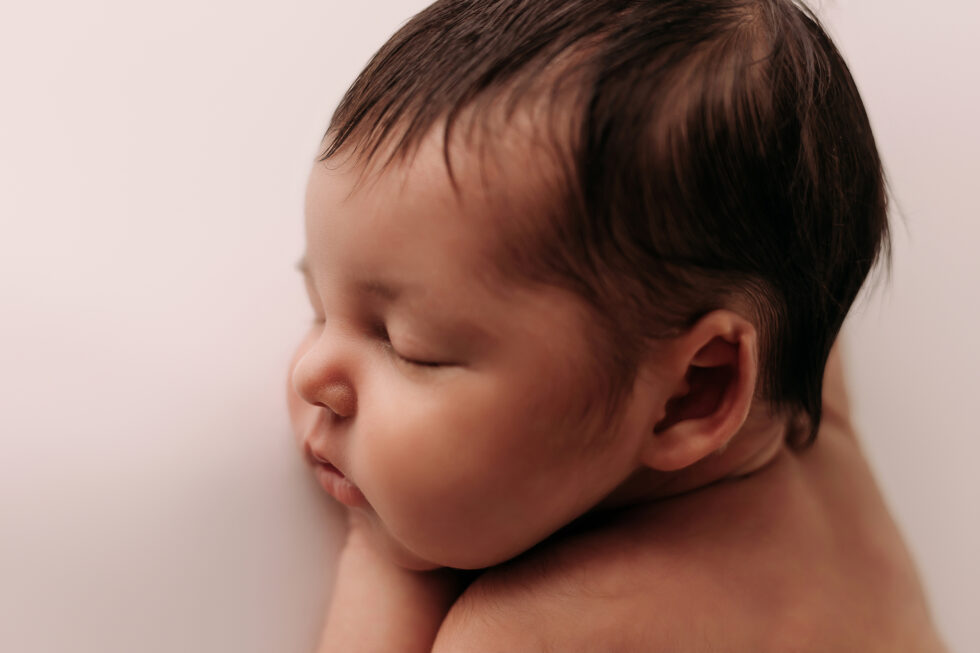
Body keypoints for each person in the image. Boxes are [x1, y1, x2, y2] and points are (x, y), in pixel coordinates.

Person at [286, 0, 947, 650]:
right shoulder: (825, 435)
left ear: (692, 393)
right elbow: (785, 243)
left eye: (412, 349)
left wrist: (383, 553)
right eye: (319, 308)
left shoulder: (536, 632)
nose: (313, 372)